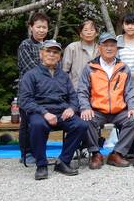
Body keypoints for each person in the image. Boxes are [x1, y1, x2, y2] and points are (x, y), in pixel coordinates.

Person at [18, 40, 88, 180]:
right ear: (41, 54)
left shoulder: (63, 76)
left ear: (59, 57)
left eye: (55, 52)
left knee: (81, 125)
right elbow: (25, 100)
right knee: (38, 125)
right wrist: (44, 113)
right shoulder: (31, 75)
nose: (51, 54)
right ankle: (41, 165)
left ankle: (63, 161)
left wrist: (72, 108)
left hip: (61, 112)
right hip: (40, 112)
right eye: (48, 51)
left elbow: (73, 97)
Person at [77, 33, 134, 169]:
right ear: (99, 48)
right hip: (97, 110)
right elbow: (82, 91)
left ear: (117, 48)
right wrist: (85, 108)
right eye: (105, 45)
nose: (109, 48)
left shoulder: (123, 68)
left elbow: (129, 91)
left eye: (112, 45)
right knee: (85, 119)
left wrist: (133, 107)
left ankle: (117, 153)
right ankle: (96, 153)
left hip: (119, 111)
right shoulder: (90, 68)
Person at [17, 11, 50, 163]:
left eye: (44, 27)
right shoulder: (25, 45)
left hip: (46, 92)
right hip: (29, 92)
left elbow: (58, 67)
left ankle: (39, 151)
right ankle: (26, 153)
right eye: (38, 27)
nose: (41, 30)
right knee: (26, 123)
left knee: (42, 122)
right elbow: (30, 68)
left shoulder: (50, 46)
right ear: (31, 27)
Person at [62, 19, 99, 90]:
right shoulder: (72, 48)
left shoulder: (100, 49)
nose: (89, 33)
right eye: (85, 30)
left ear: (96, 33)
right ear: (81, 34)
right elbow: (64, 71)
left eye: (92, 30)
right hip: (75, 89)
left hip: (96, 91)